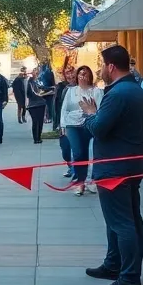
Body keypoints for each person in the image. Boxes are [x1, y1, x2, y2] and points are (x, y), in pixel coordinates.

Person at [80, 44, 143, 285]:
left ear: (110, 66)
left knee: (122, 223)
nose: (99, 70)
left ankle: (129, 279)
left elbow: (98, 127)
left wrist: (90, 114)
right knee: (124, 219)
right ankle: (114, 264)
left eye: (101, 65)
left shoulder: (118, 93)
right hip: (129, 163)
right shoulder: (135, 90)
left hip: (114, 167)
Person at [61, 66, 101, 195]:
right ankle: (80, 182)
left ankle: (91, 180)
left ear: (90, 76)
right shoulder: (71, 91)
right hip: (72, 125)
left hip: (89, 125)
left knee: (90, 153)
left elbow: (100, 110)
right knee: (78, 153)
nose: (82, 76)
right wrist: (63, 126)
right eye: (80, 73)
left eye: (86, 73)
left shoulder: (96, 91)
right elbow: (64, 109)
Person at [53, 62, 76, 165]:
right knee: (65, 149)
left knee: (77, 149)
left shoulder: (82, 86)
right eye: (67, 73)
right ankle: (69, 165)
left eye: (72, 73)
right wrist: (58, 123)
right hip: (64, 122)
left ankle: (75, 170)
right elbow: (57, 105)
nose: (70, 76)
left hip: (78, 123)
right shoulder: (61, 87)